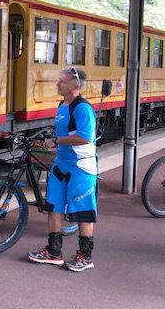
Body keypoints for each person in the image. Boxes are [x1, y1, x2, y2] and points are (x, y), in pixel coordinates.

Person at [28, 67, 97, 272]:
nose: (58, 84)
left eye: (62, 82)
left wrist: (57, 141)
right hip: (61, 165)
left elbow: (85, 137)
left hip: (80, 167)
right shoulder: (62, 105)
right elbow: (69, 134)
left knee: (83, 212)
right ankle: (54, 252)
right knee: (53, 207)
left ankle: (85, 257)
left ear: (75, 86)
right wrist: (58, 148)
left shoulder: (82, 108)